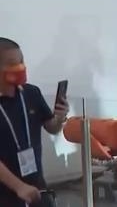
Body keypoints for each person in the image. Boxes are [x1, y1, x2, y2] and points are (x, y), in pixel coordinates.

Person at [0, 38, 69, 207]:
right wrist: (19, 187)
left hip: (37, 187)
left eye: (21, 61)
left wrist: (60, 118)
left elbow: (52, 128)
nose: (20, 67)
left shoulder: (31, 93)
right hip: (6, 194)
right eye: (12, 63)